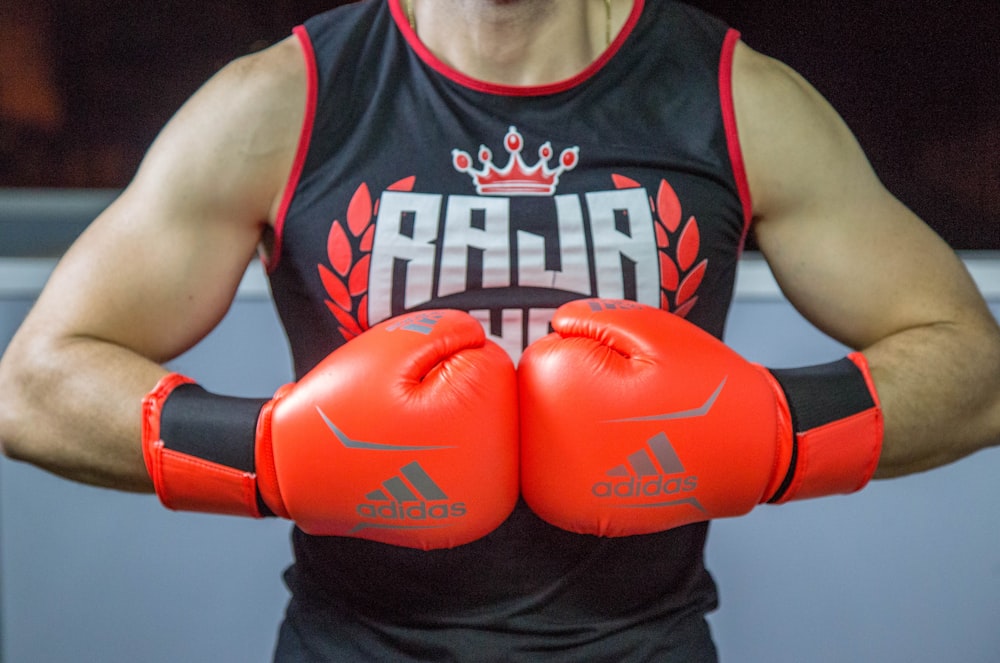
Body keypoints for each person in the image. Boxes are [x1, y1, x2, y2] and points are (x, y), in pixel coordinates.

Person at [1, 0, 998, 660]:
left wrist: (773, 434)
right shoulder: (285, 100)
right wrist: (270, 454)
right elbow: (34, 389)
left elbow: (971, 370)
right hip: (354, 647)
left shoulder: (734, 101)